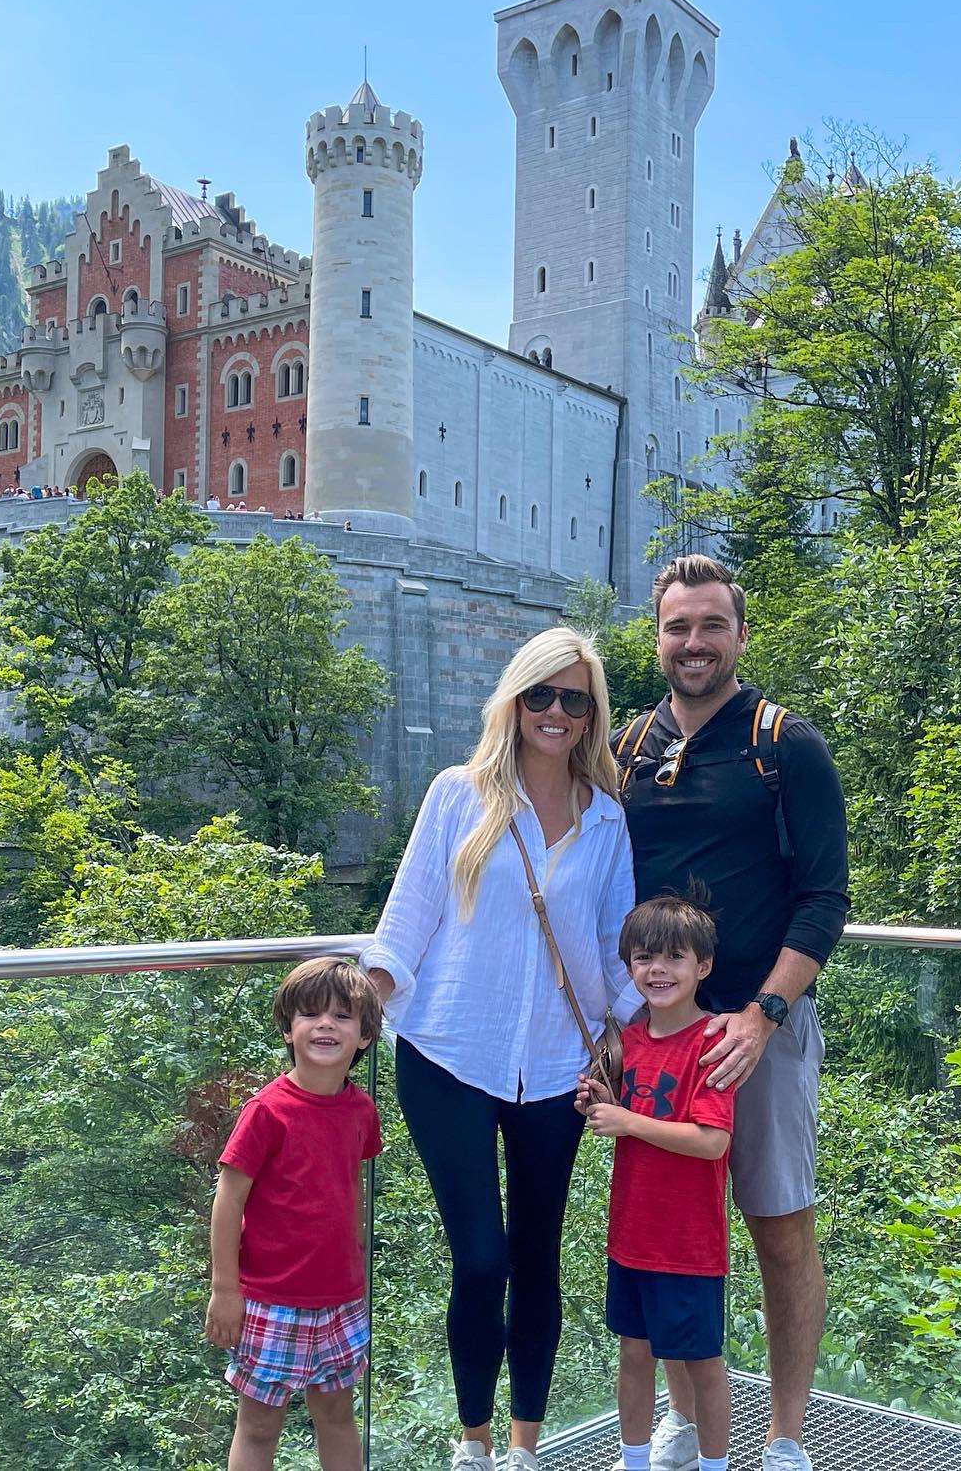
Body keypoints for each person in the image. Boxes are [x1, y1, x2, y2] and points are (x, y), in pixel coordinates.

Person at [363, 627, 641, 1471]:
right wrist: (359, 1004)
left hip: (561, 1065)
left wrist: (631, 1029)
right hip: (450, 1049)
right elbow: (408, 916)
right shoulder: (459, 795)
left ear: (592, 714)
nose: (557, 712)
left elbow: (613, 937)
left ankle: (525, 1443)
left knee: (538, 1256)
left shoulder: (606, 821)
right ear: (514, 703)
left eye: (575, 698)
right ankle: (473, 1440)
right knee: (480, 1258)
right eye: (541, 696)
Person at [613, 554, 848, 1471]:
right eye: (678, 627)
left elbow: (824, 899)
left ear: (741, 635)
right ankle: (683, 1417)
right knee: (667, 1229)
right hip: (659, 1036)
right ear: (659, 637)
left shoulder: (786, 743)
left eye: (712, 625)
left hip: (761, 1030)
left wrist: (762, 1014)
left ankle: (787, 1436)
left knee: (780, 1228)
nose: (694, 643)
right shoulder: (630, 747)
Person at [206, 957, 383, 1471]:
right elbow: (228, 1199)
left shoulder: (360, 1110)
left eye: (342, 1016)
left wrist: (355, 1271)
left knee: (337, 1415)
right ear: (289, 1028)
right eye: (310, 1014)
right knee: (259, 1426)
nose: (326, 1024)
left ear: (365, 1037)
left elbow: (347, 1194)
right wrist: (225, 1289)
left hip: (341, 1298)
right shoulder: (266, 1110)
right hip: (269, 1299)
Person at [578, 895, 734, 1471]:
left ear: (704, 966)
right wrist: (598, 1104)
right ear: (628, 967)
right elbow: (620, 1115)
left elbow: (712, 1140)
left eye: (675, 956)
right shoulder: (627, 1044)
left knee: (703, 1362)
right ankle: (636, 1460)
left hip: (690, 1245)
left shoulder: (713, 1043)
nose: (658, 970)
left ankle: (716, 1464)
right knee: (633, 1354)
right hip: (631, 1236)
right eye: (644, 958)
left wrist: (627, 1122)